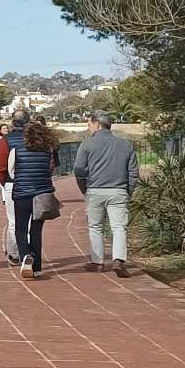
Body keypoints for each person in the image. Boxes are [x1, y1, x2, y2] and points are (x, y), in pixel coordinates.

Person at [72, 111, 140, 277]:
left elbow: (79, 170)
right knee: (119, 227)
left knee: (95, 227)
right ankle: (118, 260)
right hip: (119, 190)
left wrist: (85, 189)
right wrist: (128, 190)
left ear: (97, 124)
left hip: (95, 190)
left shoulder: (87, 144)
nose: (88, 128)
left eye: (89, 124)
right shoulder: (125, 145)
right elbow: (133, 172)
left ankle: (97, 261)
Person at [8, 118, 62, 278]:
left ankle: (25, 255)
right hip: (42, 193)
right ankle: (37, 267)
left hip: (22, 193)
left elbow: (11, 171)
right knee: (37, 230)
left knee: (21, 229)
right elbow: (51, 169)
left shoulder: (17, 149)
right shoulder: (48, 150)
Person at [0, 109, 29, 264]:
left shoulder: (6, 141)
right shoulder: (36, 139)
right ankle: (20, 252)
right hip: (32, 183)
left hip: (12, 184)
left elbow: (0, 167)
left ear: (13, 123)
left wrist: (5, 183)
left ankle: (16, 253)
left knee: (13, 220)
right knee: (30, 220)